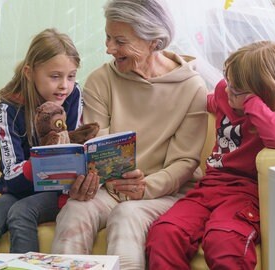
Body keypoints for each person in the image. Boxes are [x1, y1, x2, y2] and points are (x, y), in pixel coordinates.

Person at [51, 0, 208, 269]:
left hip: (165, 192)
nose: (109, 49)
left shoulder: (192, 87)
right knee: (74, 211)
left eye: (120, 41)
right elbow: (95, 147)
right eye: (108, 37)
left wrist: (146, 187)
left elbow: (184, 162)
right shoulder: (101, 79)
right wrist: (84, 178)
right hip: (110, 188)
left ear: (154, 42)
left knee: (127, 216)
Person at [146, 40, 275, 269]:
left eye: (236, 90)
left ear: (262, 95)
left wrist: (252, 104)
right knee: (165, 232)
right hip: (209, 186)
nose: (227, 89)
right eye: (227, 82)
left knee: (225, 242)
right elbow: (206, 102)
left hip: (245, 194)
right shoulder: (224, 92)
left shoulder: (272, 114)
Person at [0, 28, 100, 253]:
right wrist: (45, 158)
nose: (64, 86)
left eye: (71, 76)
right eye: (55, 76)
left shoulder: (74, 95)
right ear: (30, 72)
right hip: (18, 188)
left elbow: (77, 150)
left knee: (20, 214)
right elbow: (11, 173)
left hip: (60, 192)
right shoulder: (7, 108)